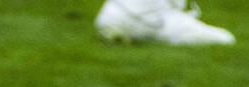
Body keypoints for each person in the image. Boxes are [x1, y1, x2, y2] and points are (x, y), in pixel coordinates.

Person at [95, 0, 234, 45]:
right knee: (225, 38)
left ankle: (121, 15)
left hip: (113, 14)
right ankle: (145, 17)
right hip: (153, 19)